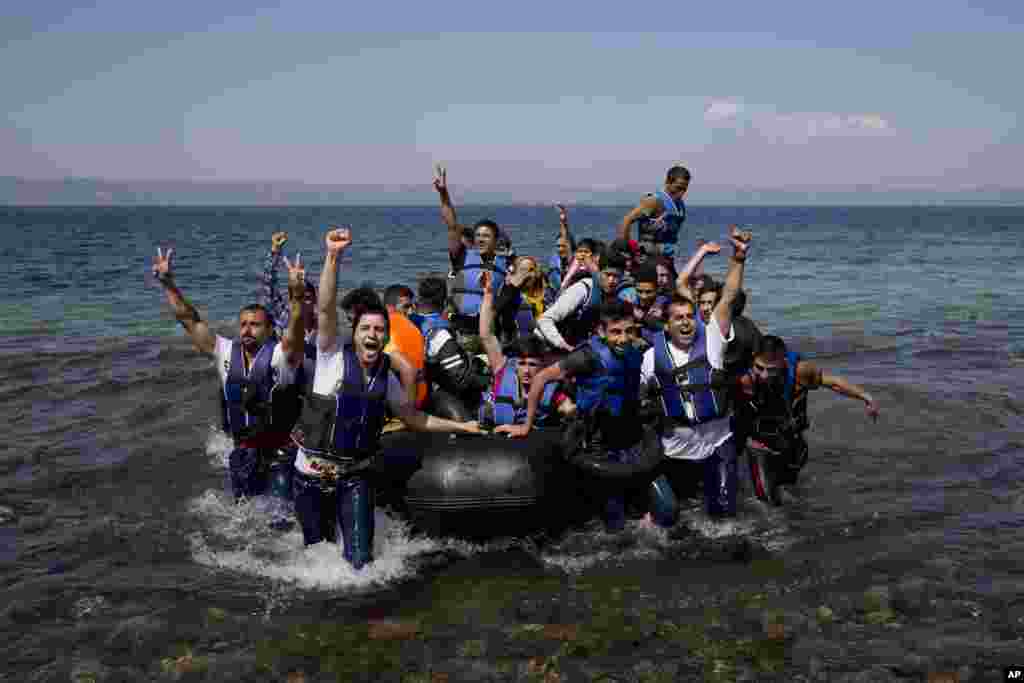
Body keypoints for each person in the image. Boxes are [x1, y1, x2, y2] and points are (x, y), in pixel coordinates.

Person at [292, 227, 481, 570]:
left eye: (379, 330)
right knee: (315, 560)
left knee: (361, 564)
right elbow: (324, 308)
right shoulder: (330, 355)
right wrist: (333, 257)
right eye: (365, 329)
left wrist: (462, 426)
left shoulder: (386, 380)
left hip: (355, 477)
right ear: (355, 332)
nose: (372, 335)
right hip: (311, 476)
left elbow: (414, 418)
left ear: (385, 337)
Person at [497, 300, 677, 531]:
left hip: (632, 439)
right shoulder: (586, 357)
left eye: (629, 331)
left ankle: (643, 519)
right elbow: (541, 378)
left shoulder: (637, 349)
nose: (623, 338)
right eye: (615, 332)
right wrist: (525, 425)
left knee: (668, 510)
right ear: (602, 332)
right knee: (616, 524)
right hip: (598, 444)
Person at [152, 246, 305, 500]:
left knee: (279, 519)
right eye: (243, 324)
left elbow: (296, 327)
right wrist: (168, 284)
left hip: (280, 453)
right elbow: (189, 319)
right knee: (245, 517)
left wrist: (297, 295)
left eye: (255, 325)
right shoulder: (224, 351)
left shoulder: (281, 356)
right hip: (243, 451)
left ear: (269, 330)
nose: (247, 330)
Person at [641, 226, 753, 519]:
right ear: (666, 325)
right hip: (677, 450)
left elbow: (728, 297)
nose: (687, 322)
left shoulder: (712, 339)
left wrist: (739, 257)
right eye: (678, 318)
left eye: (690, 316)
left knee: (725, 516)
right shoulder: (651, 358)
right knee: (670, 518)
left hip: (717, 443)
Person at [736, 335, 881, 505]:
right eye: (759, 368)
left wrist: (866, 397)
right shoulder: (746, 378)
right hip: (758, 445)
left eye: (772, 369)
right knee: (767, 502)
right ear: (753, 360)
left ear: (783, 361)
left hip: (790, 443)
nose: (765, 375)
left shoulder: (800, 372)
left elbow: (834, 383)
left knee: (789, 493)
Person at [478, 271, 574, 428]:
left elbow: (568, 408)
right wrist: (488, 294)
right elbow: (485, 334)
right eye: (522, 364)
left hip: (530, 445)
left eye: (532, 364)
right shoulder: (502, 369)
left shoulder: (550, 390)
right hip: (493, 439)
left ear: (542, 365)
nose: (526, 371)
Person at [433, 164, 510, 344]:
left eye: (486, 236)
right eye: (478, 236)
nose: (481, 239)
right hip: (459, 327)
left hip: (489, 330)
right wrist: (443, 194)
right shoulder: (462, 256)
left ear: (496, 239)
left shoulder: (505, 263)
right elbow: (452, 225)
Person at [414, 276, 488, 420]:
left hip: (411, 389)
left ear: (419, 298)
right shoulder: (439, 334)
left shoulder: (410, 322)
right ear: (444, 301)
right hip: (432, 394)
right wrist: (485, 380)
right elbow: (460, 379)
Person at [534, 251, 626, 353]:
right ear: (599, 271)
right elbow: (544, 320)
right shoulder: (582, 289)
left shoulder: (614, 297)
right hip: (545, 345)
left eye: (616, 276)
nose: (611, 280)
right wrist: (562, 344)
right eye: (608, 274)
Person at [618, 165, 691, 259]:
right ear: (667, 183)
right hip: (646, 260)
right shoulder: (653, 201)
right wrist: (626, 252)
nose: (681, 193)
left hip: (666, 259)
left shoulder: (680, 207)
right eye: (678, 188)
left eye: (684, 189)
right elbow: (626, 221)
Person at [631, 265, 669, 348]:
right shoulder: (632, 305)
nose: (643, 296)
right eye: (639, 291)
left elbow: (670, 329)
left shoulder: (665, 304)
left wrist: (644, 318)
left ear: (657, 289)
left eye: (648, 292)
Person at [546, 204, 576, 293]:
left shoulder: (573, 260)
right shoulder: (555, 260)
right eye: (558, 246)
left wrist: (563, 222)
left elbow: (566, 239)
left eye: (563, 246)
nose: (560, 249)